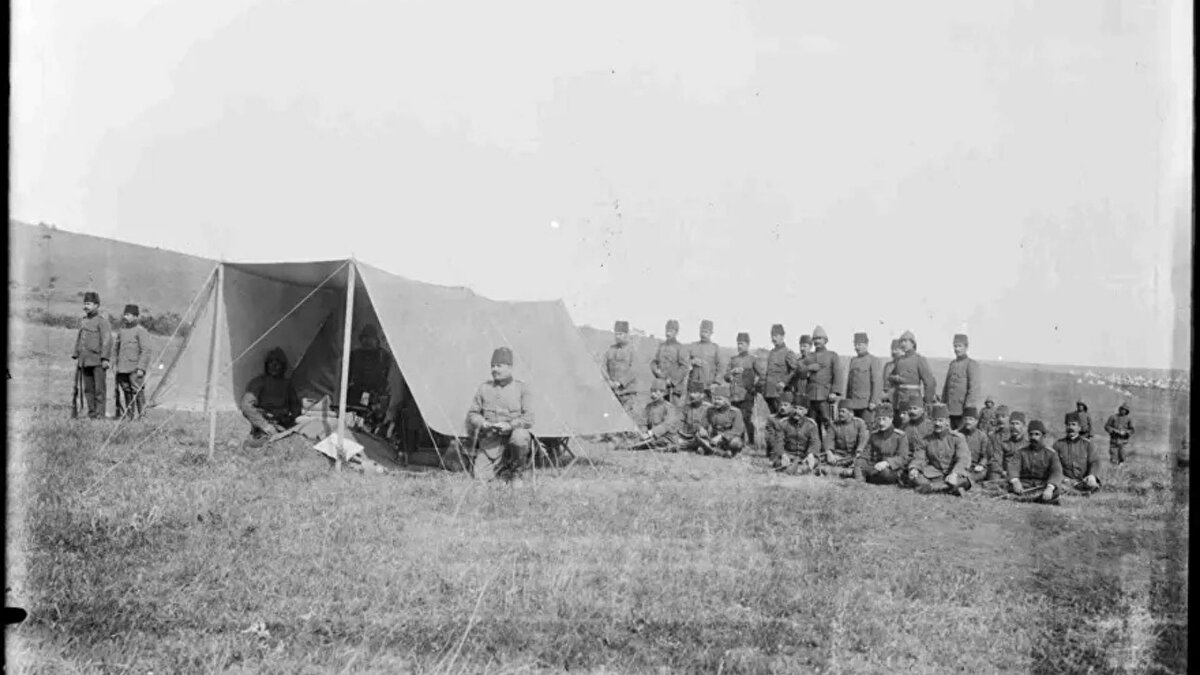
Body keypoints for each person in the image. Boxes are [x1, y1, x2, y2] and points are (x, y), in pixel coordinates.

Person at [466, 347, 535, 481]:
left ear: (509, 368)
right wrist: (483, 423)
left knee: (520, 436)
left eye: (499, 366)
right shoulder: (484, 388)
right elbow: (473, 414)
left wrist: (510, 425)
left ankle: (517, 473)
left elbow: (529, 418)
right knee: (480, 478)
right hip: (491, 443)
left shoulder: (521, 388)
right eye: (492, 366)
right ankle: (501, 470)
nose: (494, 369)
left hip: (512, 441)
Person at [241, 347, 303, 447]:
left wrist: (297, 423)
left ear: (283, 366)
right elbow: (246, 405)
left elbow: (295, 407)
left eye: (277, 363)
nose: (274, 366)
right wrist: (264, 425)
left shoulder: (287, 385)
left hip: (283, 423)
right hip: (265, 424)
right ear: (266, 365)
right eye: (271, 362)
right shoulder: (258, 382)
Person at [907, 404, 972, 496]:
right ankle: (947, 488)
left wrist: (955, 474)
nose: (937, 424)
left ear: (947, 422)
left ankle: (933, 487)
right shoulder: (926, 440)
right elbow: (919, 457)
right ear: (932, 422)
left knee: (964, 480)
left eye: (941, 420)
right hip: (935, 473)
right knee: (916, 478)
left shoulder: (958, 438)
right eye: (935, 420)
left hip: (954, 472)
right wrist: (914, 468)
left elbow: (963, 458)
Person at [799, 325, 843, 452]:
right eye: (815, 339)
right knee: (812, 423)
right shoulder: (809, 357)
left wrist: (834, 392)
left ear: (825, 340)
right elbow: (799, 371)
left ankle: (832, 448)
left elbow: (838, 374)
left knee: (829, 423)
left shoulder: (832, 355)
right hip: (811, 395)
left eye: (820, 338)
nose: (817, 341)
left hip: (825, 395)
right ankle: (816, 448)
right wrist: (808, 368)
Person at [71, 291, 113, 419]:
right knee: (88, 390)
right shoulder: (84, 321)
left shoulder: (102, 322)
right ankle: (92, 414)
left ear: (96, 305)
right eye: (84, 303)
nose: (85, 306)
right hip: (85, 360)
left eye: (88, 304)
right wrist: (76, 354)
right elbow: (80, 338)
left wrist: (105, 358)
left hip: (98, 361)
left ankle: (100, 416)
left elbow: (107, 340)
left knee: (99, 390)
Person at [1005, 419, 1064, 504]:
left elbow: (1057, 472)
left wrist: (1050, 488)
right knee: (1008, 485)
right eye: (1031, 434)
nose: (1033, 437)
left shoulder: (1051, 453)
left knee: (1056, 490)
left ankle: (1021, 498)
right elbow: (1013, 466)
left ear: (1043, 436)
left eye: (1037, 434)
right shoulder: (1021, 452)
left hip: (1042, 485)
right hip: (1024, 484)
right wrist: (1016, 481)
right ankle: (1037, 499)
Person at [855, 403, 911, 485]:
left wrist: (887, 463)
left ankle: (867, 477)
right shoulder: (874, 435)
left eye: (884, 419)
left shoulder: (900, 436)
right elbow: (866, 453)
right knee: (859, 461)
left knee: (885, 473)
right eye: (879, 419)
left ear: (891, 419)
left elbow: (903, 458)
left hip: (892, 469)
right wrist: (860, 459)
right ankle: (860, 482)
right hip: (875, 466)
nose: (881, 423)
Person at [113, 304, 151, 420]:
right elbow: (116, 348)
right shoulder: (122, 331)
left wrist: (141, 368)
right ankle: (129, 416)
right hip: (122, 368)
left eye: (128, 315)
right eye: (125, 314)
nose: (125, 317)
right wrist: (114, 364)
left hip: (135, 369)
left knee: (138, 391)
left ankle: (142, 416)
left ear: (135, 317)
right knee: (126, 391)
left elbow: (146, 350)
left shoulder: (141, 331)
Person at [766, 392, 821, 474]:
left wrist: (811, 454)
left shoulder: (811, 425)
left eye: (800, 409)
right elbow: (779, 441)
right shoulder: (783, 423)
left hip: (804, 456)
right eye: (795, 408)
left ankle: (800, 469)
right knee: (778, 462)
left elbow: (815, 441)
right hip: (787, 455)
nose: (797, 411)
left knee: (814, 461)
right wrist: (783, 454)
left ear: (806, 411)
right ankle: (793, 469)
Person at [725, 332, 763, 449]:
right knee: (736, 417)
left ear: (747, 344)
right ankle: (739, 441)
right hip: (734, 393)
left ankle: (751, 441)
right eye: (738, 344)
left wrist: (755, 387)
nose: (739, 346)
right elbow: (726, 376)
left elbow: (761, 375)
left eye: (742, 344)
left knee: (746, 417)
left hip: (747, 393)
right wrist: (730, 374)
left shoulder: (752, 359)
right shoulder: (733, 359)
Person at [887, 330, 937, 414]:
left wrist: (928, 401)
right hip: (898, 401)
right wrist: (895, 378)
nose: (903, 344)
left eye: (905, 341)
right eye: (901, 341)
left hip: (913, 401)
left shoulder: (919, 360)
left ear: (913, 343)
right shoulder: (899, 360)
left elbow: (929, 382)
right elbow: (890, 378)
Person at [1054, 412, 1103, 494]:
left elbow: (1095, 462)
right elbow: (1054, 466)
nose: (1070, 427)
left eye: (1073, 424)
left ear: (1079, 428)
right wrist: (1063, 478)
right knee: (1057, 485)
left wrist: (1092, 475)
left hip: (1083, 481)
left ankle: (1076, 491)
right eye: (1068, 425)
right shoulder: (1058, 444)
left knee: (1092, 484)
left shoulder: (1088, 445)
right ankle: (1078, 493)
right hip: (1065, 481)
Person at [942, 333, 981, 430]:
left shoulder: (971, 364)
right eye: (955, 346)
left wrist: (968, 408)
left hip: (962, 410)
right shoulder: (952, 364)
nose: (957, 349)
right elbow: (946, 386)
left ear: (966, 347)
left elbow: (974, 388)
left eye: (960, 346)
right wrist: (943, 404)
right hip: (949, 409)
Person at [843, 332, 882, 428]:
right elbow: (850, 384)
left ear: (866, 345)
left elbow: (876, 382)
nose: (857, 347)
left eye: (859, 344)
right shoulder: (853, 360)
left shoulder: (873, 360)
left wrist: (873, 401)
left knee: (867, 429)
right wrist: (848, 402)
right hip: (853, 403)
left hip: (866, 404)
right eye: (855, 345)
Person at [632, 379, 680, 451]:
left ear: (662, 393)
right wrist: (643, 433)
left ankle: (666, 447)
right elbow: (643, 422)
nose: (652, 394)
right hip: (652, 437)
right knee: (635, 440)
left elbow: (666, 425)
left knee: (658, 442)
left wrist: (650, 433)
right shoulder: (649, 407)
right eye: (652, 391)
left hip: (667, 437)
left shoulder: (669, 407)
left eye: (655, 391)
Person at [650, 320, 690, 406]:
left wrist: (672, 380)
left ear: (676, 332)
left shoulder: (680, 348)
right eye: (667, 330)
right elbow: (653, 362)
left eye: (671, 331)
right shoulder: (661, 346)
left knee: (673, 412)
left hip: (674, 388)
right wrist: (656, 371)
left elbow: (685, 367)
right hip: (660, 386)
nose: (668, 333)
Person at [762, 324, 799, 415]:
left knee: (783, 417)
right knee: (773, 417)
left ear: (782, 336)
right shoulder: (771, 352)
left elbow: (794, 370)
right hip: (769, 392)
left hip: (780, 393)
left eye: (776, 336)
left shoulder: (788, 352)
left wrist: (784, 382)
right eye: (772, 336)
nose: (774, 338)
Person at [604, 320, 638, 414]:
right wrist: (608, 381)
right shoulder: (611, 349)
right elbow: (604, 366)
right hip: (613, 392)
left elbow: (634, 370)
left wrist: (620, 383)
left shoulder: (632, 350)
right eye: (616, 334)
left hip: (627, 393)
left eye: (621, 334)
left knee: (625, 419)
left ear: (627, 334)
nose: (618, 337)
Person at [825, 403, 868, 477]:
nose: (840, 414)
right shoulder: (834, 424)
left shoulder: (859, 423)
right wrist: (829, 453)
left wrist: (859, 451)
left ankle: (846, 470)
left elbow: (862, 439)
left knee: (859, 461)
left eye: (843, 411)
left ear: (851, 413)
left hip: (854, 455)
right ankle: (843, 470)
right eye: (839, 411)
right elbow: (829, 439)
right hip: (838, 455)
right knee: (821, 459)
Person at [959, 407, 1000, 484]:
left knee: (983, 472)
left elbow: (985, 455)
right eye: (966, 419)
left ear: (976, 421)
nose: (968, 422)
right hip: (960, 465)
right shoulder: (958, 434)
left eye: (971, 419)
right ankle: (963, 481)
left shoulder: (982, 436)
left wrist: (981, 464)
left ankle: (965, 480)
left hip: (975, 467)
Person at [706, 384, 746, 457]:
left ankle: (719, 451)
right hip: (714, 438)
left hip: (729, 438)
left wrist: (721, 437)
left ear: (726, 400)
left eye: (719, 399)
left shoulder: (735, 412)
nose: (716, 401)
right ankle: (722, 452)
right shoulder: (710, 410)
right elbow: (705, 423)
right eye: (715, 399)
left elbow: (737, 430)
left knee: (735, 443)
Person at [687, 320, 723, 399]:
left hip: (708, 387)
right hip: (693, 385)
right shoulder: (693, 346)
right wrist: (692, 362)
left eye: (706, 332)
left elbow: (721, 367)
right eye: (701, 331)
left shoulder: (715, 348)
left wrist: (716, 382)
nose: (703, 334)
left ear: (711, 333)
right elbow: (683, 362)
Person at [677, 388, 713, 453]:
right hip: (688, 436)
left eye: (695, 392)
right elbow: (680, 421)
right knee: (676, 440)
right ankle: (698, 447)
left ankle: (703, 447)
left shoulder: (709, 408)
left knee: (701, 438)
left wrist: (704, 430)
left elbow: (712, 424)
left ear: (702, 395)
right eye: (691, 392)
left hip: (704, 436)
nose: (691, 395)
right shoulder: (687, 407)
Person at [902, 393, 933, 458]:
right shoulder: (904, 426)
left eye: (915, 408)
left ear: (922, 410)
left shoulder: (930, 426)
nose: (912, 411)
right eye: (910, 408)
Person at [880, 339, 903, 411]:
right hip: (889, 401)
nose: (893, 352)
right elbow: (884, 384)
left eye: (896, 349)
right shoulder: (888, 366)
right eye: (892, 349)